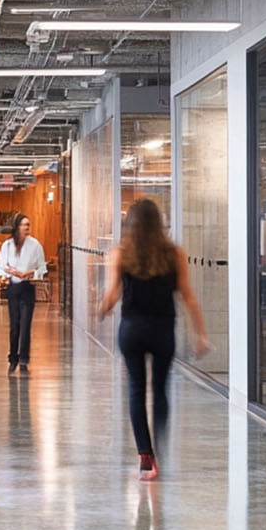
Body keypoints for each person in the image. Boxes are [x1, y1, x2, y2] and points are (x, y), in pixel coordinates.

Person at [98, 198, 209, 481]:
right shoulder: (174, 254)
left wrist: (102, 308)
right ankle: (159, 449)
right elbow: (188, 296)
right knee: (160, 390)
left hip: (132, 330)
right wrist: (201, 333)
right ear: (159, 224)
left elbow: (113, 294)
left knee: (136, 390)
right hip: (162, 330)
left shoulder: (120, 254)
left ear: (130, 225)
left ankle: (146, 458)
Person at [0, 213, 47, 374]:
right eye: (24, 225)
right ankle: (13, 358)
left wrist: (30, 273)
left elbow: (42, 268)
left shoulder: (35, 245)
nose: (27, 228)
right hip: (13, 288)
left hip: (27, 287)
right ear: (17, 227)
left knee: (25, 324)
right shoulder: (8, 245)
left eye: (28, 225)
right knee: (14, 325)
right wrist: (9, 273)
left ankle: (23, 359)